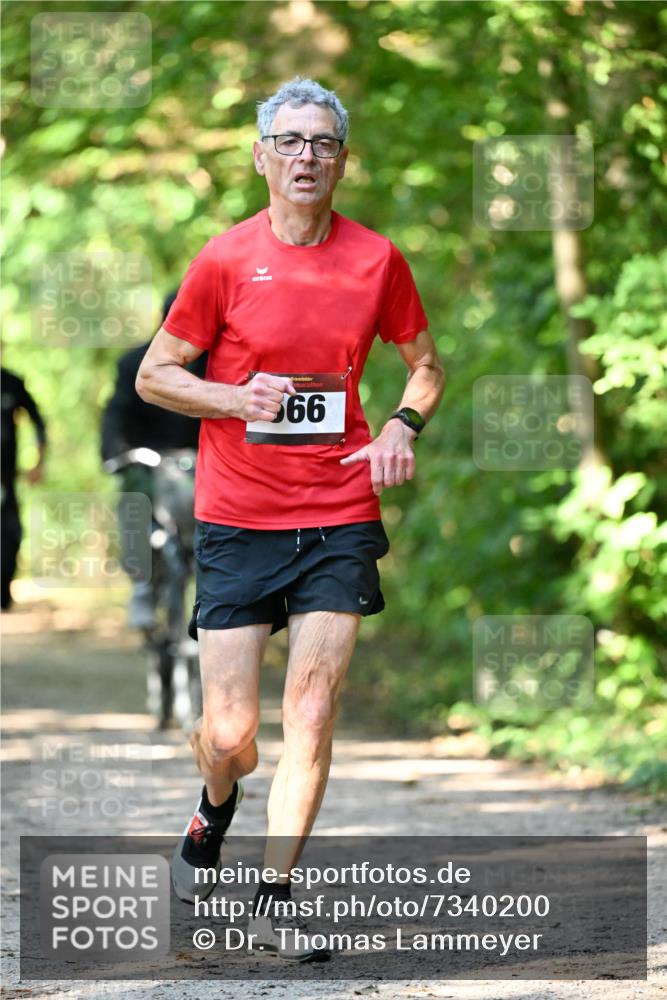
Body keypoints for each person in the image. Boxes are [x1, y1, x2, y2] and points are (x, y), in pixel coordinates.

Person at [136, 77, 445, 960]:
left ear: (343, 159)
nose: (306, 157)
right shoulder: (226, 259)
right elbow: (156, 374)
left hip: (338, 508)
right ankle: (212, 807)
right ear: (261, 156)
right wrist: (236, 397)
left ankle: (273, 899)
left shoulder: (376, 260)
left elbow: (423, 367)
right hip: (238, 516)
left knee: (311, 707)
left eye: (322, 143)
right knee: (232, 738)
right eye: (290, 141)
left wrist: (398, 424)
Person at [101, 292, 206, 628]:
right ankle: (142, 588)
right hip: (148, 458)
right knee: (134, 499)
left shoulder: (214, 363)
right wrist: (115, 453)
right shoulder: (134, 363)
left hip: (201, 459)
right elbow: (116, 413)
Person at [1, 366, 47, 610]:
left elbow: (38, 421)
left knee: (10, 534)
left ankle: (2, 592)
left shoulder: (11, 383)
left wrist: (38, 462)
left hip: (6, 476)